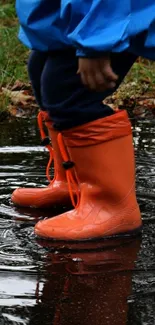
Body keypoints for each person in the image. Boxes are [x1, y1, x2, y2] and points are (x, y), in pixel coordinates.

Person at [12, 0, 155, 241]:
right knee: (41, 72)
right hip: (71, 18)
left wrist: (96, 41)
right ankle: (74, 184)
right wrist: (48, 29)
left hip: (107, 17)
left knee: (68, 92)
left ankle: (111, 207)